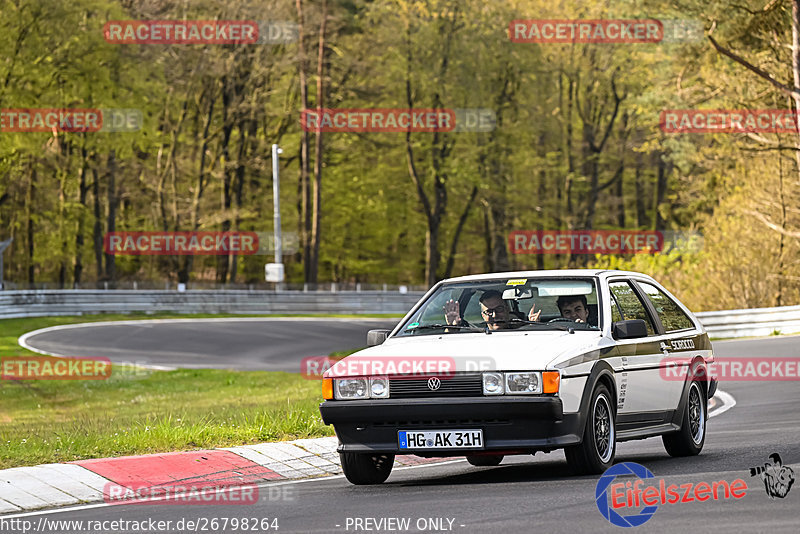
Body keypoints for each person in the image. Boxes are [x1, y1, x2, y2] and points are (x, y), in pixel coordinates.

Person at [444, 290, 539, 331]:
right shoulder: (474, 335)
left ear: (507, 309)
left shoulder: (523, 332)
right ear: (483, 315)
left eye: (499, 309)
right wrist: (451, 328)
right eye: (489, 311)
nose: (494, 315)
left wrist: (534, 327)